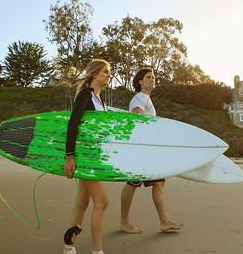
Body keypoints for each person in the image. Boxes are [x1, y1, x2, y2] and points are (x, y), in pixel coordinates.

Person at [119, 67, 184, 234]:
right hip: (142, 150)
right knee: (133, 183)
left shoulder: (146, 99)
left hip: (146, 150)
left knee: (158, 182)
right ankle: (124, 222)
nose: (152, 79)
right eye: (148, 77)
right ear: (140, 81)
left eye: (153, 77)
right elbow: (138, 122)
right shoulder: (140, 98)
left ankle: (164, 221)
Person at [63, 59, 111, 254]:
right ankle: (97, 251)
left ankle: (68, 246)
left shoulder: (100, 100)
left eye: (109, 72)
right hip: (84, 157)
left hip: (95, 157)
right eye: (106, 72)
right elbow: (73, 124)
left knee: (83, 202)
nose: (109, 75)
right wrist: (69, 156)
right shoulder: (85, 95)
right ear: (94, 74)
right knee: (102, 201)